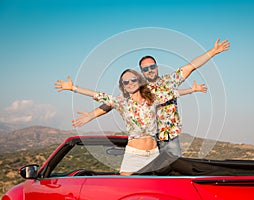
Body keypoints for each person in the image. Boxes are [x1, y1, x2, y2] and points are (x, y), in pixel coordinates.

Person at [71, 38, 230, 157]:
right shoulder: (138, 89)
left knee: (174, 176)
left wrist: (212, 52)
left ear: (157, 67)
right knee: (152, 178)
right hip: (149, 140)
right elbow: (113, 103)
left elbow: (191, 66)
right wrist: (91, 115)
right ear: (141, 71)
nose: (149, 70)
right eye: (145, 68)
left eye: (152, 66)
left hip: (169, 138)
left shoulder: (170, 81)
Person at [55, 69, 187, 175]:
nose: (130, 83)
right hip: (134, 154)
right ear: (123, 86)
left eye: (133, 80)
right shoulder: (121, 102)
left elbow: (172, 93)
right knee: (123, 186)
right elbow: (99, 95)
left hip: (154, 153)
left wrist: (193, 90)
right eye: (126, 82)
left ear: (140, 81)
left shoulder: (152, 99)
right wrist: (74, 88)